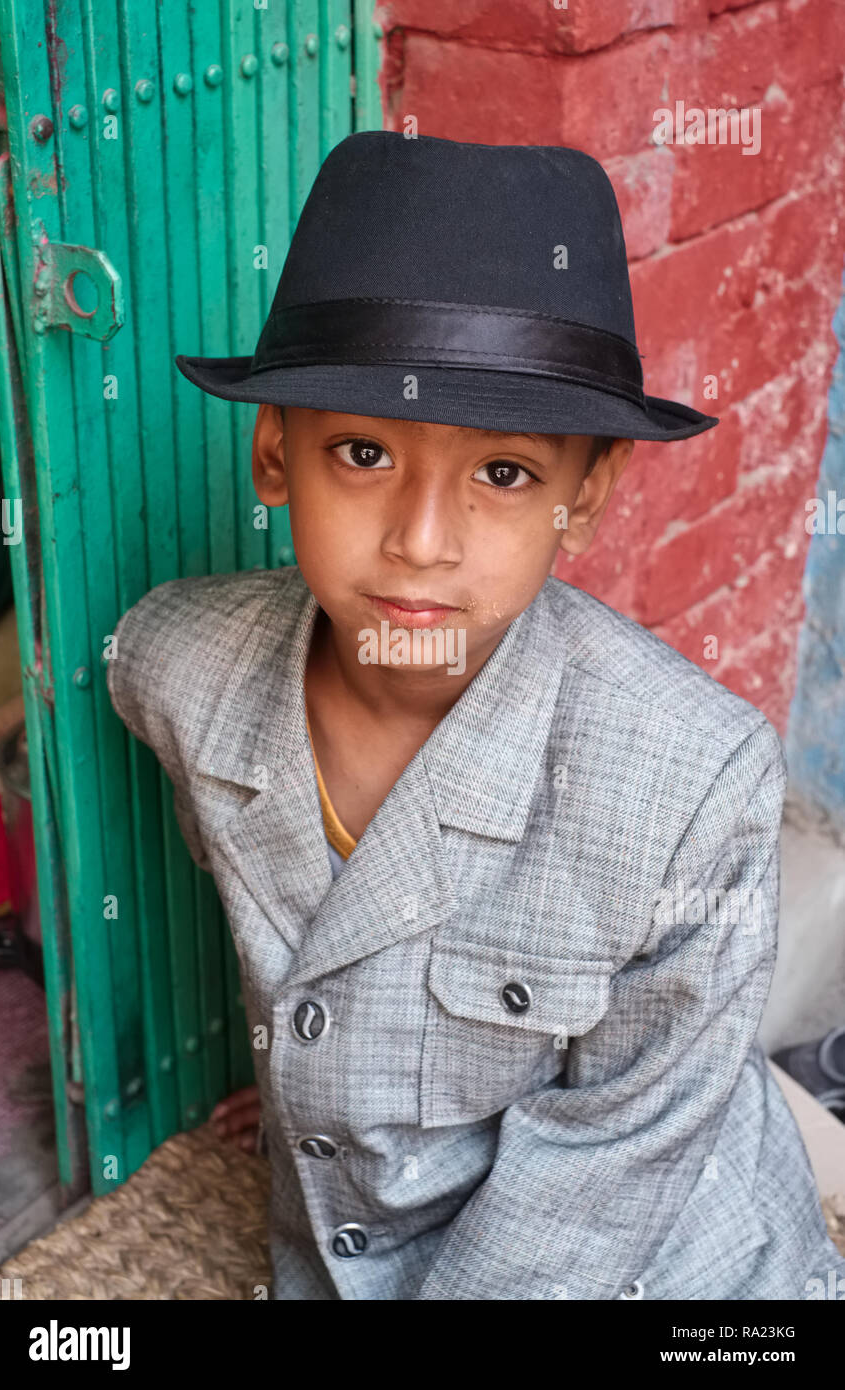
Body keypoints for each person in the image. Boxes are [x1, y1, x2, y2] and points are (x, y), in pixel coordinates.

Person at [106, 132, 845, 1300]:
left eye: (502, 474)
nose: (420, 540)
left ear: (584, 498)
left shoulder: (686, 781)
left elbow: (606, 1169)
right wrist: (324, 1072)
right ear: (271, 453)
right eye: (361, 453)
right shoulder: (176, 664)